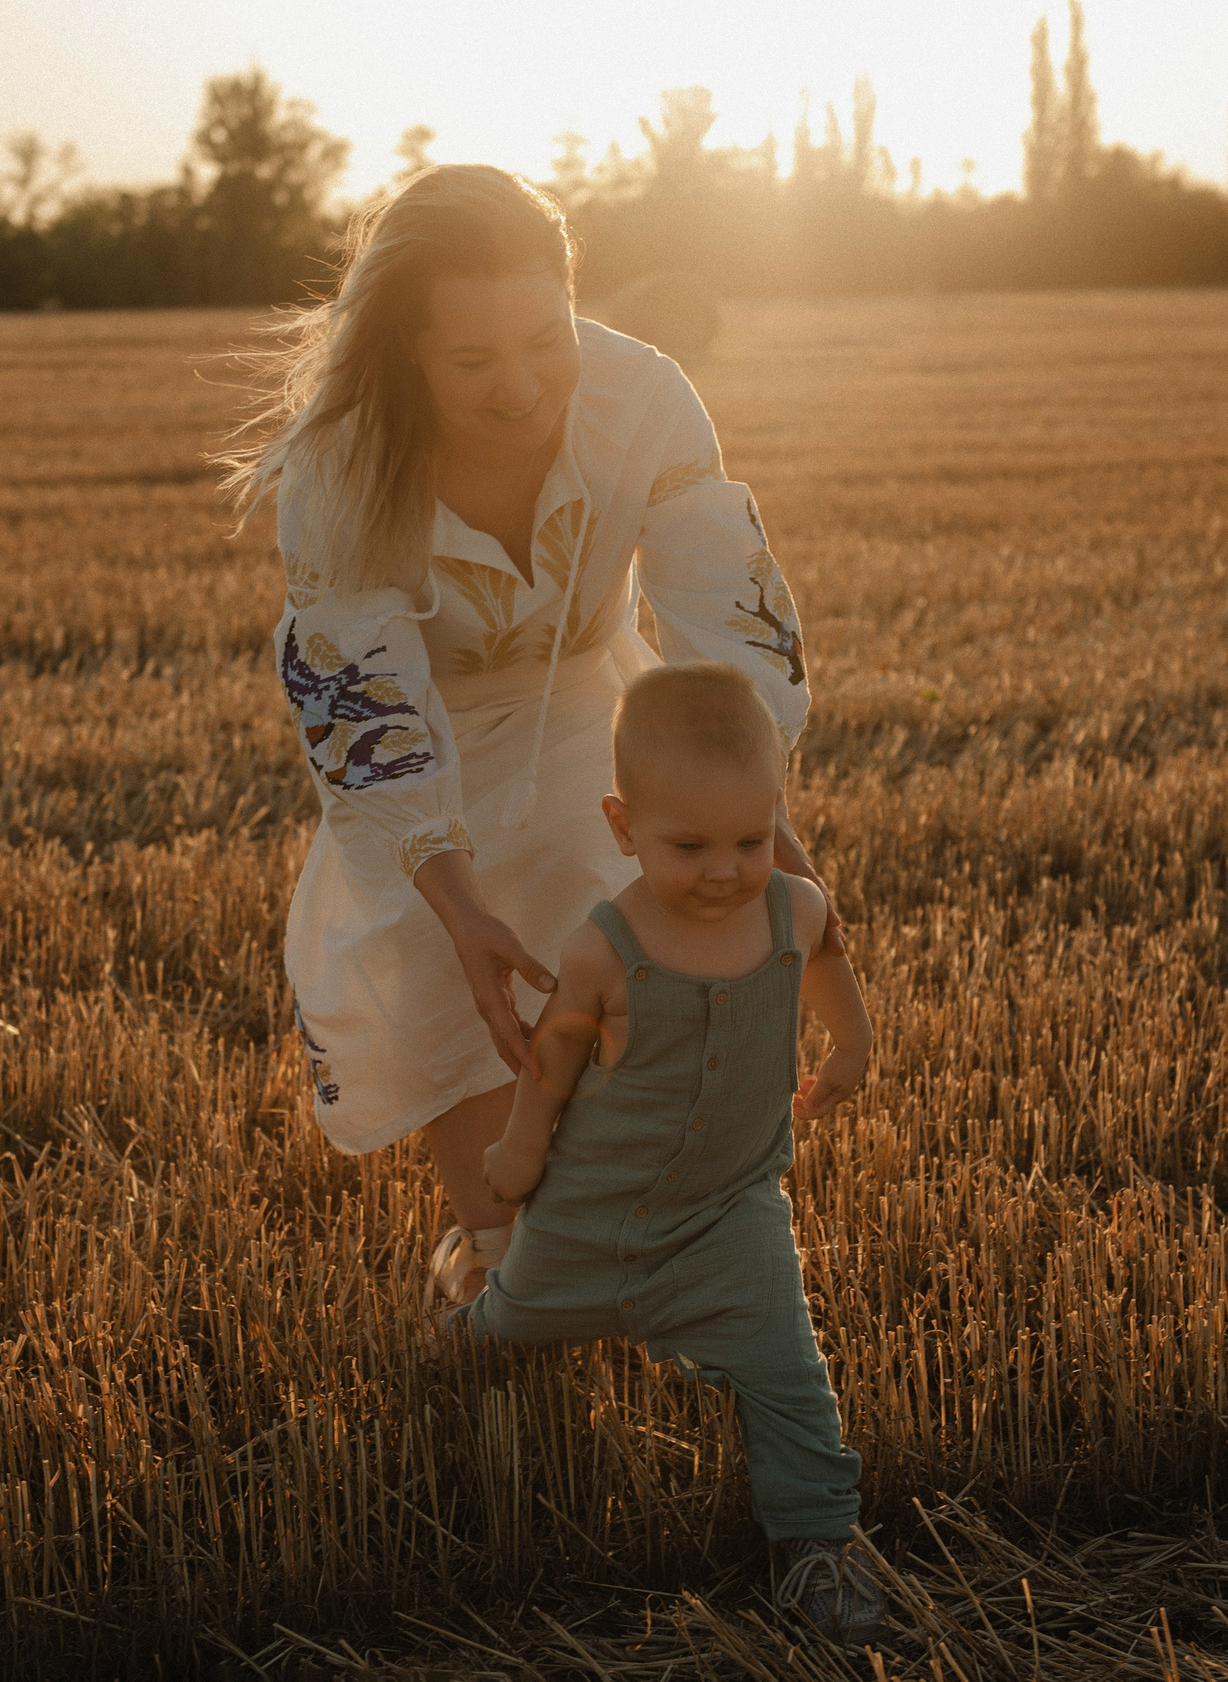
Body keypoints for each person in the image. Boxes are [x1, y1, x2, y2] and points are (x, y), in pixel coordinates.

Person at [218, 164, 842, 1306]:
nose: (518, 386)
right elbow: (370, 705)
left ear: (573, 299)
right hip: (429, 743)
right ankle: (499, 1252)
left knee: (625, 961)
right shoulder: (339, 465)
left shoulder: (643, 397)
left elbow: (725, 618)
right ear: (405, 348)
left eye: (544, 340)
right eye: (471, 361)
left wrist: (759, 825)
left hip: (589, 712)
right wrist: (453, 905)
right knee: (447, 988)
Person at [462, 662, 882, 1645]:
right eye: (688, 845)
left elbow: (827, 956)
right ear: (622, 827)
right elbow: (553, 1057)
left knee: (787, 1369)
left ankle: (818, 1539)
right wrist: (520, 1154)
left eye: (748, 837)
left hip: (735, 1205)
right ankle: (460, 1310)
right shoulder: (603, 946)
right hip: (591, 1205)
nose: (727, 868)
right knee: (512, 1325)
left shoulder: (794, 906)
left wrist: (851, 1043)